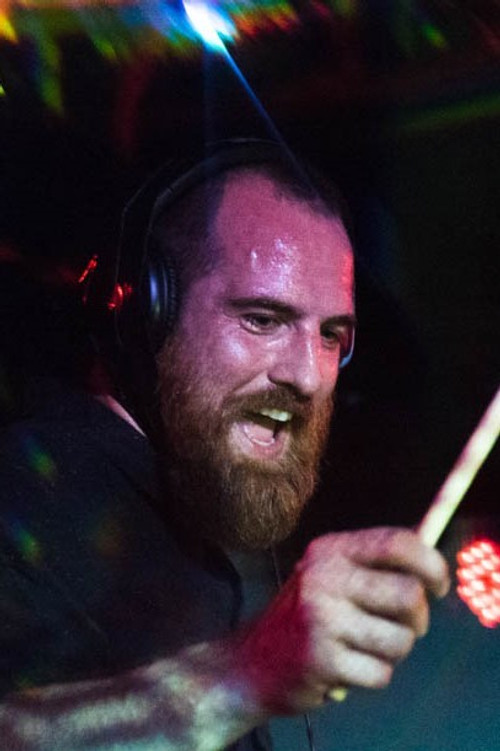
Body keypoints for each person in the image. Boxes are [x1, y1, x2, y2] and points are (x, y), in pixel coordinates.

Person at [0, 141, 449, 751]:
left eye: (330, 335)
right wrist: (244, 675)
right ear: (147, 311)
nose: (308, 377)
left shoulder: (179, 522)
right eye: (262, 319)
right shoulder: (30, 497)